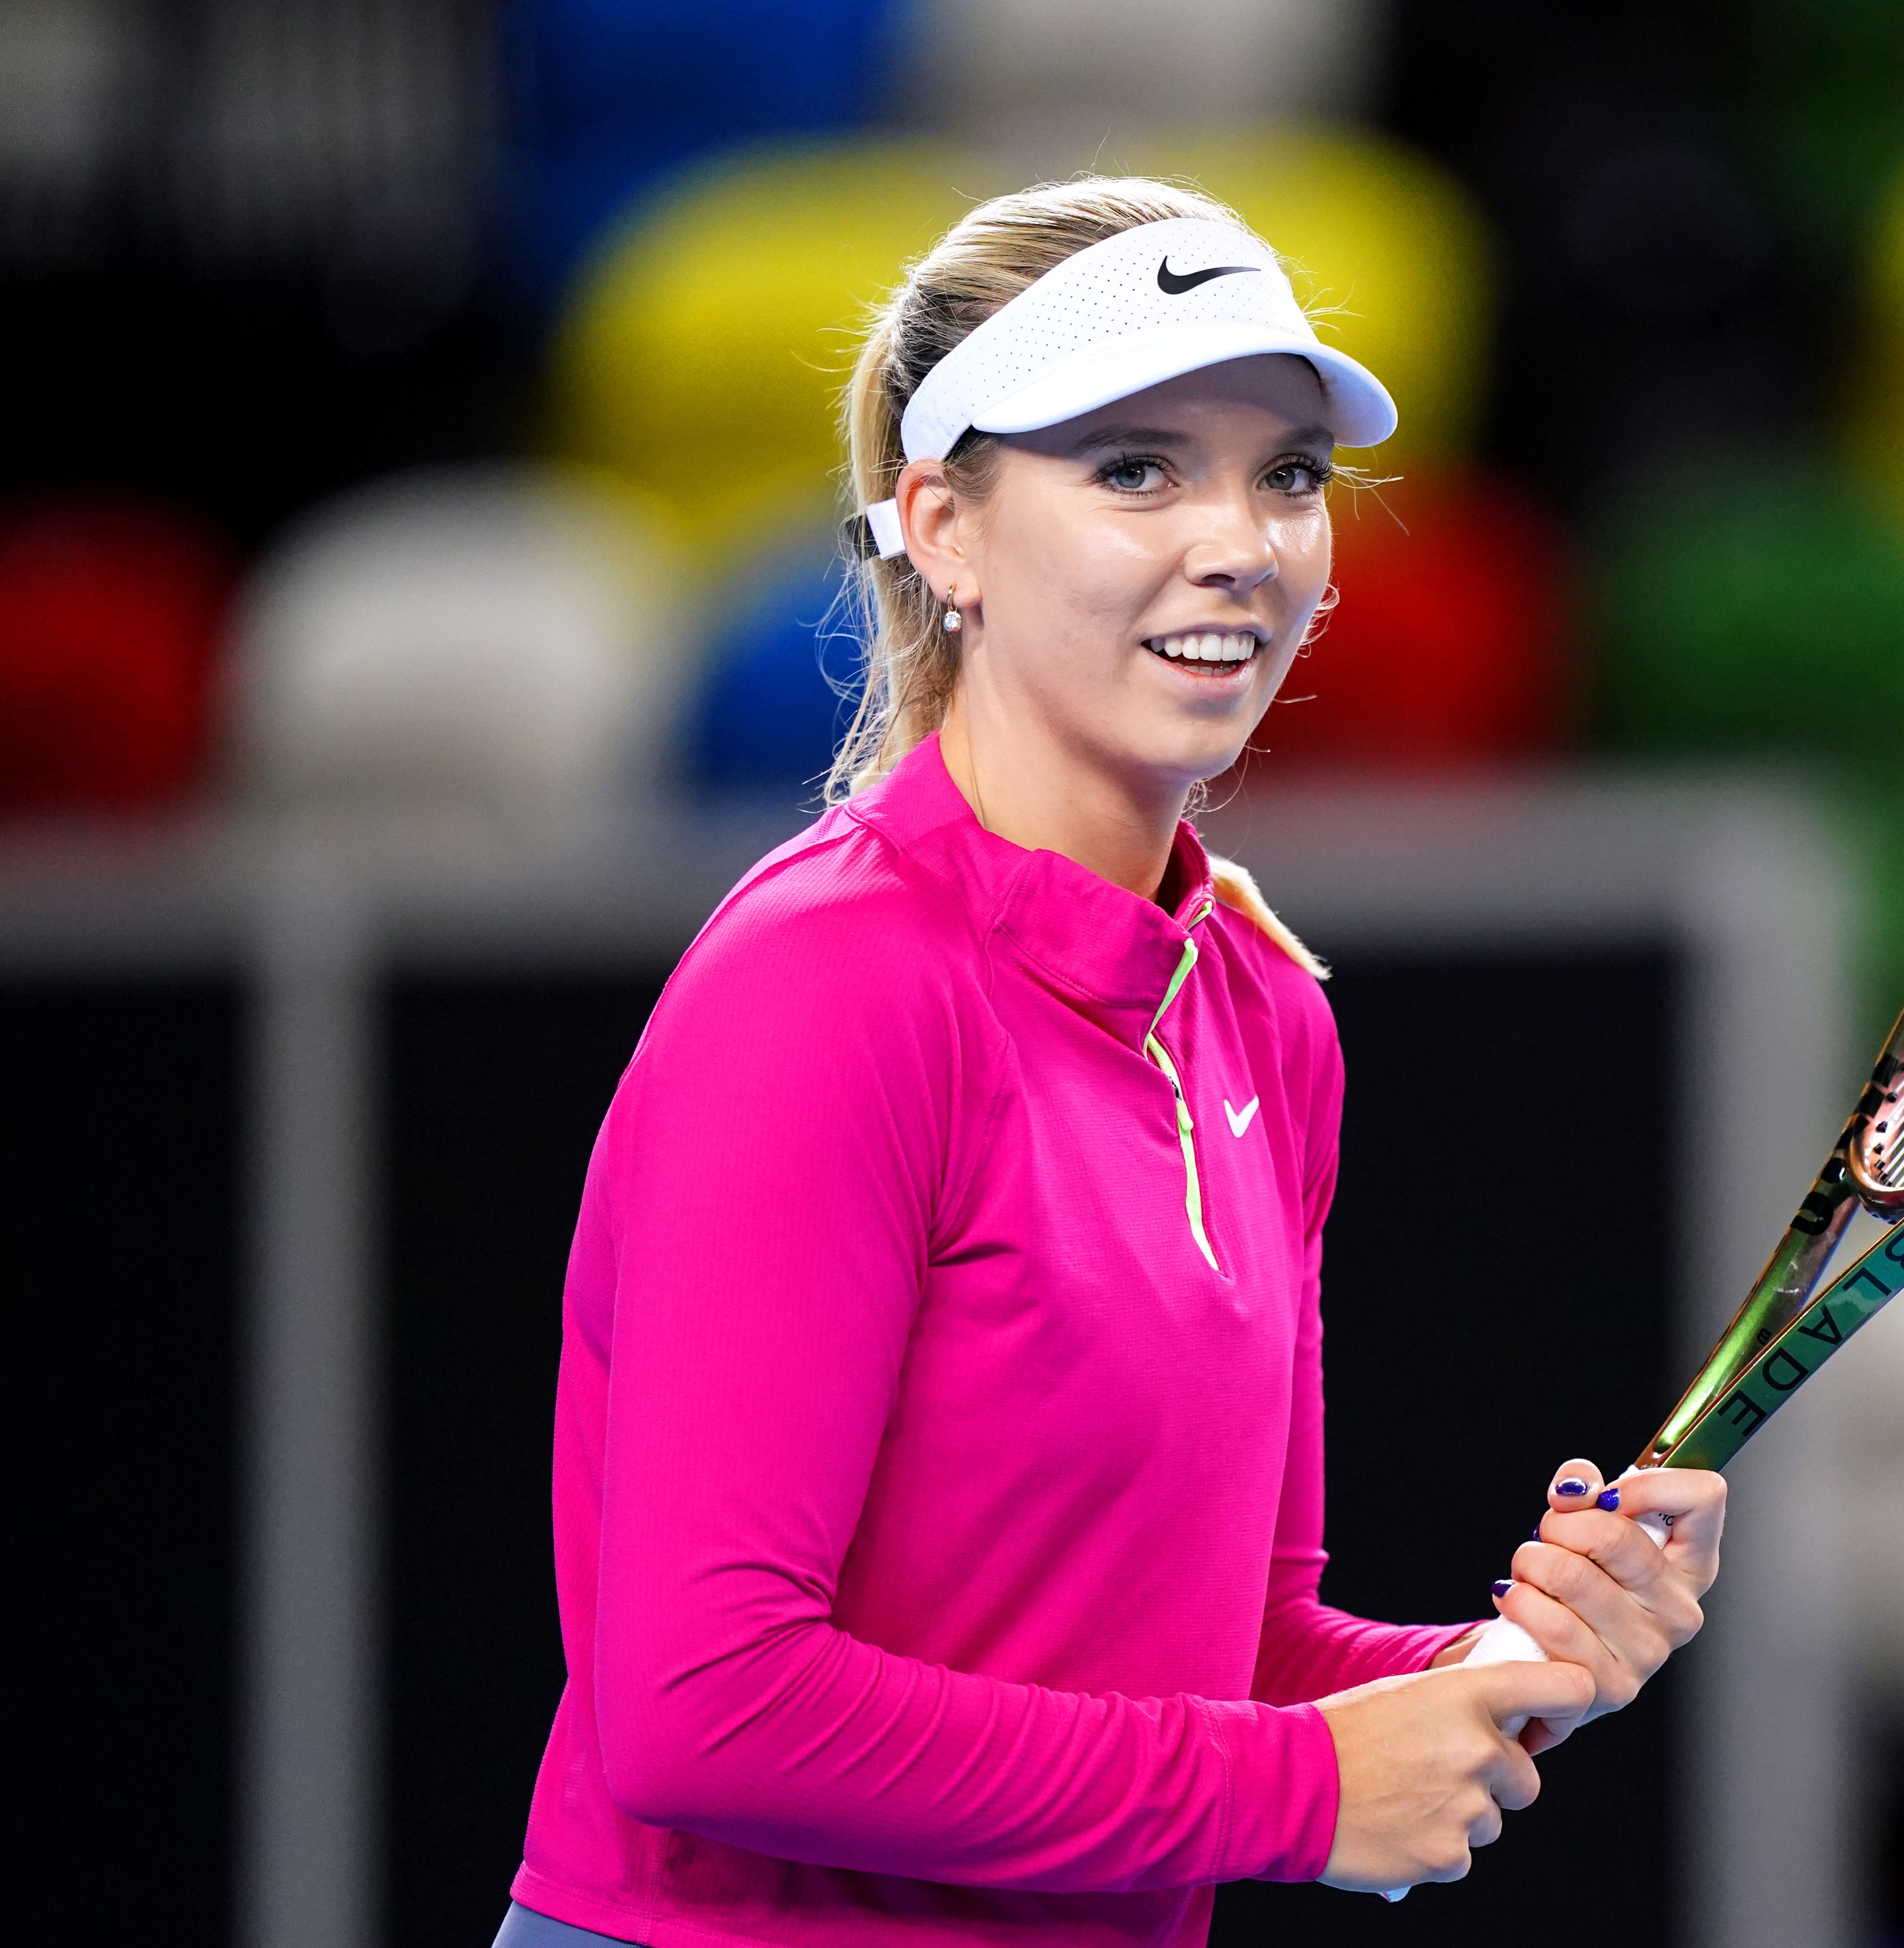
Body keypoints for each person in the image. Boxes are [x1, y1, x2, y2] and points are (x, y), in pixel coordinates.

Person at [492, 178, 1727, 1948]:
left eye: (1288, 473)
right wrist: (1304, 1793)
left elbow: (1226, 1649)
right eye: (1137, 468)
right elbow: (706, 1705)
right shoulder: (827, 990)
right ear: (946, 530)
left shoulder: (1261, 1012)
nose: (1242, 540)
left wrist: (1497, 1668)